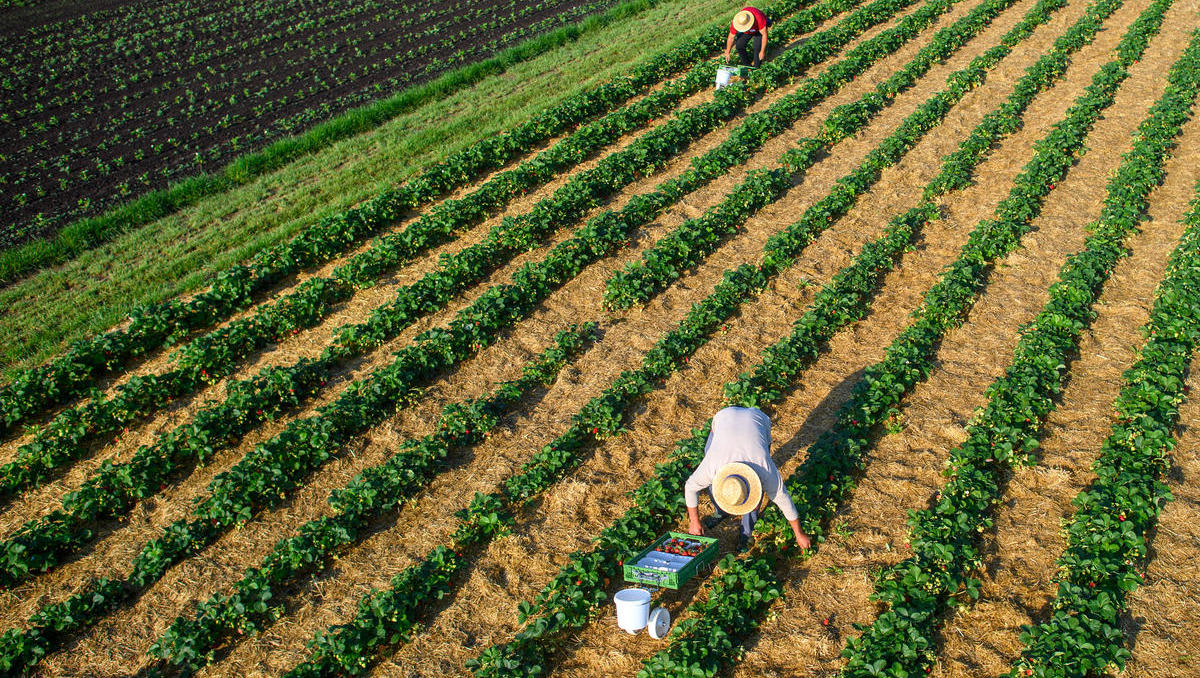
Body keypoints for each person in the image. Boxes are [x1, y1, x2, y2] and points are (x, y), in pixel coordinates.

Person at [685, 406, 811, 552]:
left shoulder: (764, 468)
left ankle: (747, 532)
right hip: (724, 417)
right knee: (712, 477)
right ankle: (721, 510)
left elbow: (783, 498)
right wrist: (694, 522)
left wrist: (799, 533)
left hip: (758, 419)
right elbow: (690, 487)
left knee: (754, 498)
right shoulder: (712, 465)